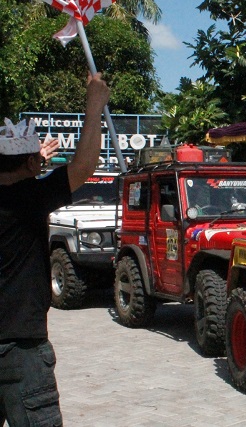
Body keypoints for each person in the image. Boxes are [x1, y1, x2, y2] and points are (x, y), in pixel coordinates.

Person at [0, 72, 110, 426]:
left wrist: (36, 161)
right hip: (22, 349)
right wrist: (94, 108)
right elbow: (83, 166)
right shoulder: (29, 198)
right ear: (32, 164)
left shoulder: (23, 193)